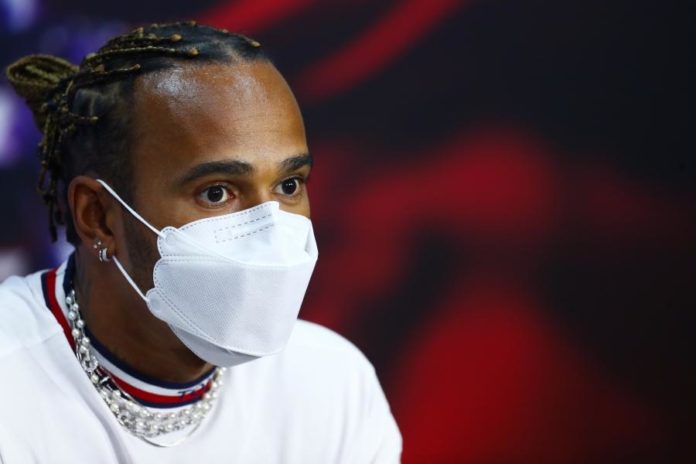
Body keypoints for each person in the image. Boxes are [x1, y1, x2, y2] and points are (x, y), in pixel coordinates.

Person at [0, 21, 402, 463]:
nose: (270, 228)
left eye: (289, 185)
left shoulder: (332, 384)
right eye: (216, 192)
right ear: (98, 217)